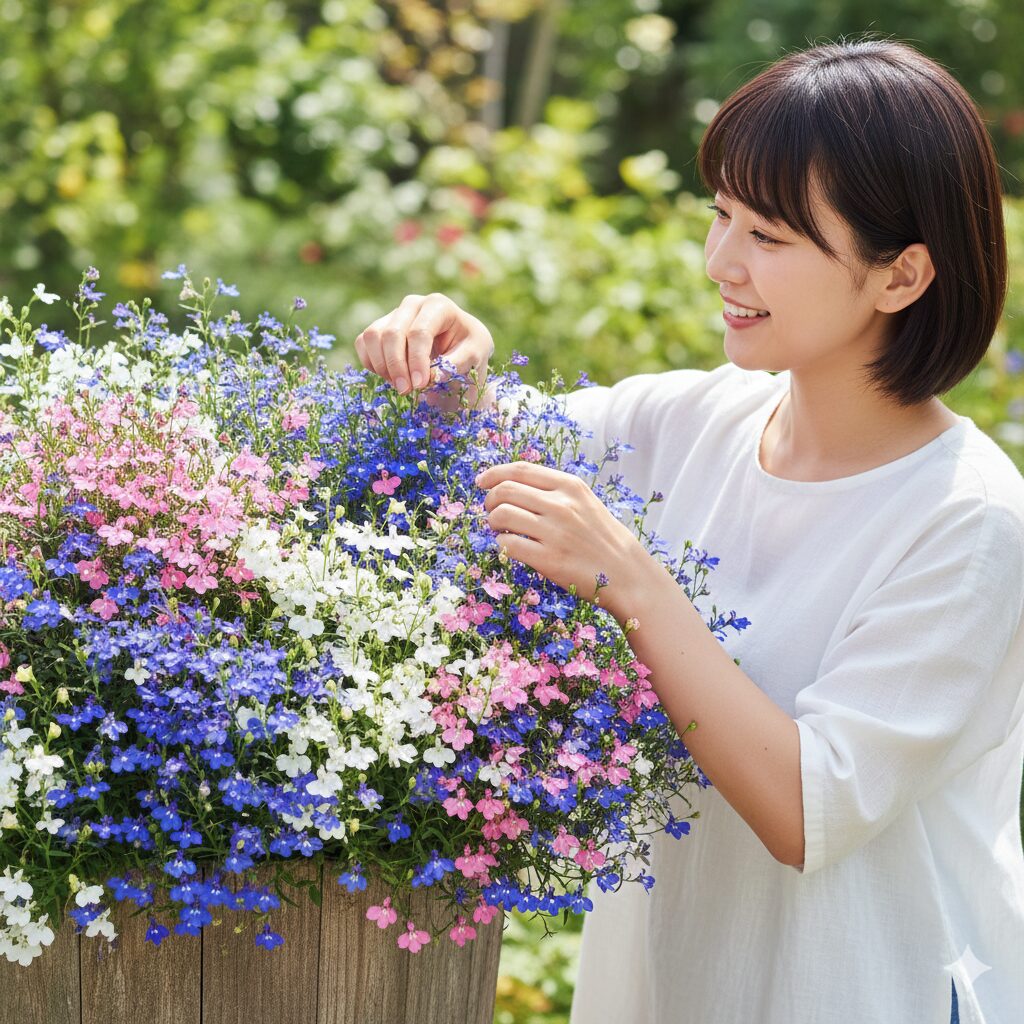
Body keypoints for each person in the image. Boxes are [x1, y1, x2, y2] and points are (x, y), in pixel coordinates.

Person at [353, 38, 1023, 1024]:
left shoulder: (966, 522)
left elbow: (808, 809)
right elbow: (489, 456)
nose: (721, 261)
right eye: (721, 215)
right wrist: (452, 365)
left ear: (901, 275)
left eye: (770, 235)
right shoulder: (693, 419)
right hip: (668, 987)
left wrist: (632, 581)